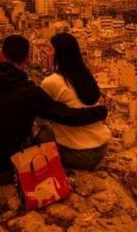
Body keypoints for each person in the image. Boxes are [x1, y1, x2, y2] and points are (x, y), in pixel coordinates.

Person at [0, 34, 108, 186]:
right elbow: (68, 116)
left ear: (0, 56)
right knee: (36, 133)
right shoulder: (30, 93)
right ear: (27, 60)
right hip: (10, 170)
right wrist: (100, 111)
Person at [36, 33, 110, 170]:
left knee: (39, 132)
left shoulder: (50, 82)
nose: (48, 53)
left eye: (51, 49)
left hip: (79, 157)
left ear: (60, 55)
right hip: (101, 149)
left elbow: (40, 120)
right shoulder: (86, 77)